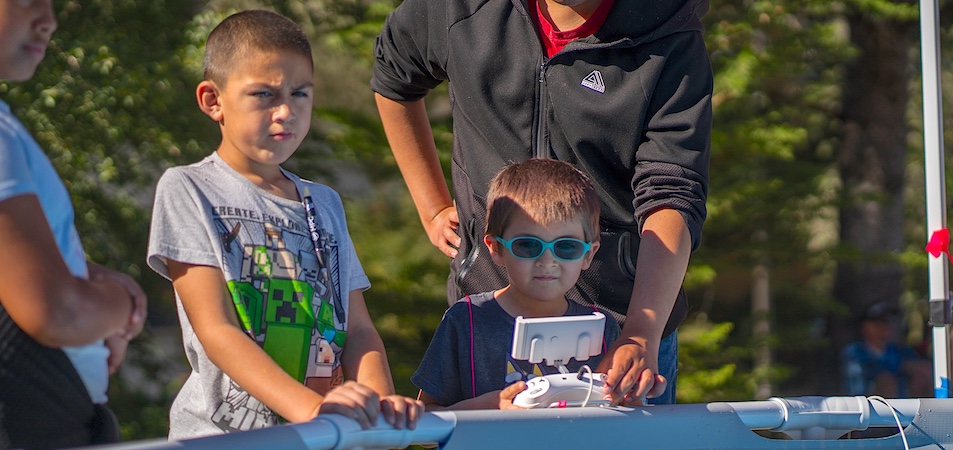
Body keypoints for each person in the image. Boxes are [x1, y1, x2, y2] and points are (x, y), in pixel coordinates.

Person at [371, 0, 712, 405]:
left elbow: (671, 191)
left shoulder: (670, 30)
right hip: (491, 325)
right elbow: (393, 73)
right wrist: (432, 205)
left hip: (623, 334)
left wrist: (641, 331)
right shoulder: (457, 8)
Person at [146, 10, 422, 439]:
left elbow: (359, 331)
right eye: (263, 95)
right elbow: (216, 329)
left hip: (321, 435)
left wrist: (379, 408)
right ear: (212, 101)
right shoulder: (188, 188)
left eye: (299, 94)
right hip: (225, 438)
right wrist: (313, 408)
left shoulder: (325, 202)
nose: (285, 112)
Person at [0, 0, 148, 447]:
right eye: (27, 1)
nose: (48, 20)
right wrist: (125, 307)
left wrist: (85, 276)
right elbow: (58, 310)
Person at [413, 158, 621, 409]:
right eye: (528, 245)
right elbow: (426, 422)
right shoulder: (466, 320)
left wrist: (629, 400)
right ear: (496, 248)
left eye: (566, 247)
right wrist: (490, 407)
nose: (547, 261)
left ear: (588, 254)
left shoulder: (603, 327)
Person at [841, 302, 933, 398]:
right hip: (864, 405)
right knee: (886, 381)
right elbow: (860, 380)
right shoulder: (855, 352)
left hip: (902, 405)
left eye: (891, 321)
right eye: (881, 321)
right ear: (866, 326)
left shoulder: (899, 351)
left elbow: (922, 367)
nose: (887, 326)